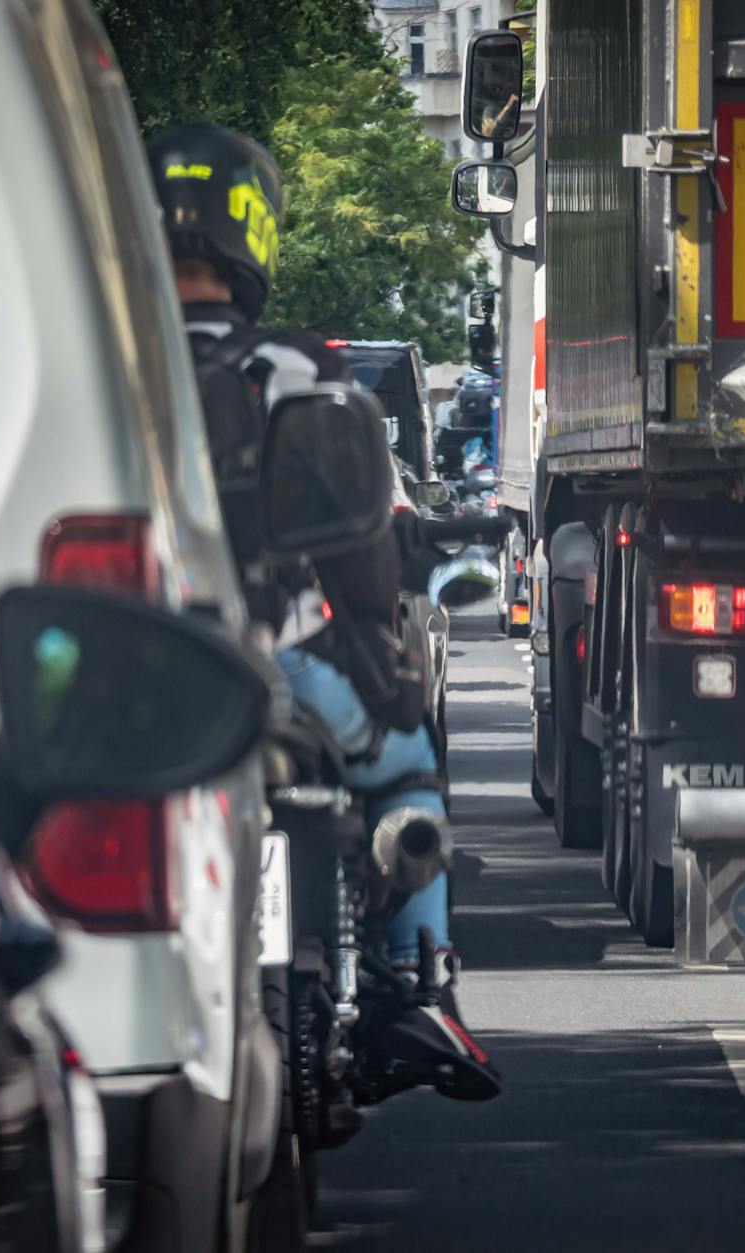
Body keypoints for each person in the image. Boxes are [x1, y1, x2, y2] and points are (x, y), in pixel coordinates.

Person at [148, 122, 499, 1100]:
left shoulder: (104, 370)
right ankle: (417, 989)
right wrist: (382, 671)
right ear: (251, 232)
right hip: (286, 667)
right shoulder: (297, 371)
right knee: (403, 773)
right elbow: (361, 546)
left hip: (139, 671)